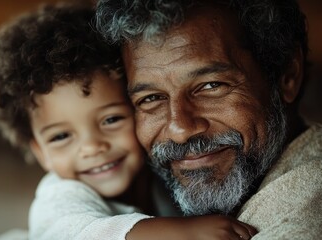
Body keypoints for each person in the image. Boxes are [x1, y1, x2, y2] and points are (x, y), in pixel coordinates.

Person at [0, 3, 257, 240]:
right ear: (40, 152)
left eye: (111, 119)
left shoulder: (159, 174)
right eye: (61, 137)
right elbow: (82, 233)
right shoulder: (60, 197)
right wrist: (187, 232)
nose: (93, 147)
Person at [95, 0, 322, 239]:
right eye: (151, 98)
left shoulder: (300, 222)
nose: (180, 130)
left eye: (211, 86)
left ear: (288, 75)